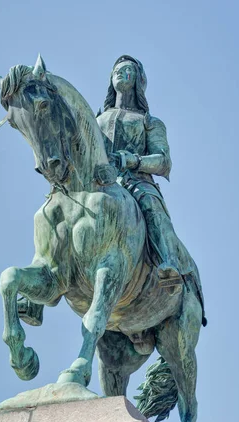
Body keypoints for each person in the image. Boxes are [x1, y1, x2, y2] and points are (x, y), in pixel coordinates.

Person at [97, 55, 183, 291]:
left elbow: (163, 161)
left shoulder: (149, 122)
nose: (120, 73)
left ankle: (169, 262)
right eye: (116, 70)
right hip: (97, 182)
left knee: (152, 207)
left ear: (137, 80)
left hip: (136, 182)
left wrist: (133, 160)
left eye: (127, 70)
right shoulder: (97, 119)